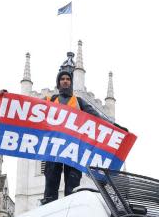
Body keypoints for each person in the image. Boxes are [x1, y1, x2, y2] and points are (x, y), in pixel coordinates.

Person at [41, 59, 124, 205]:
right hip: (54, 148)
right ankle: (48, 207)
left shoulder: (79, 101)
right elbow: (26, 105)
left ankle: (71, 207)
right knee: (50, 184)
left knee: (72, 184)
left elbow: (97, 117)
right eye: (62, 79)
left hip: (72, 149)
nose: (65, 81)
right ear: (58, 82)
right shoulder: (50, 99)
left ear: (71, 82)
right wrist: (6, 97)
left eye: (68, 79)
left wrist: (114, 126)